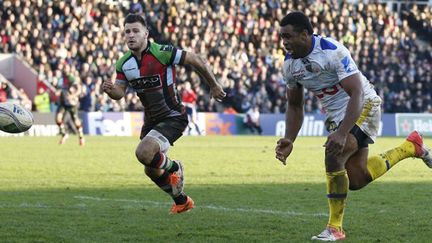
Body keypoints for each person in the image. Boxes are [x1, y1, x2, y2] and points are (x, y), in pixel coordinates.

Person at [274, 12, 432, 241]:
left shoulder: (332, 51)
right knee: (357, 178)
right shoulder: (289, 65)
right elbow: (295, 105)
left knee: (333, 153)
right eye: (282, 37)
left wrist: (342, 132)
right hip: (339, 116)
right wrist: (290, 138)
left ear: (304, 34)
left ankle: (335, 228)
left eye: (288, 36)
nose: (284, 42)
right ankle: (411, 147)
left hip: (363, 105)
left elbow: (356, 91)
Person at [102, 14, 225, 214]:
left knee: (143, 152)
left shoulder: (162, 52)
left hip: (173, 116)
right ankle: (182, 201)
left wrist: (213, 84)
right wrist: (110, 90)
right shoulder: (124, 63)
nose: (131, 35)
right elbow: (119, 93)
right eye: (127, 32)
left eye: (135, 31)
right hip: (151, 121)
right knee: (150, 168)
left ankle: (175, 167)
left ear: (146, 34)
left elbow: (195, 59)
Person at [55, 72, 85, 146]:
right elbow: (58, 90)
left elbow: (79, 90)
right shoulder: (62, 81)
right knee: (58, 118)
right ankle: (64, 134)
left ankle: (81, 137)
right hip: (63, 103)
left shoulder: (73, 83)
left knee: (75, 121)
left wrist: (73, 96)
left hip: (71, 104)